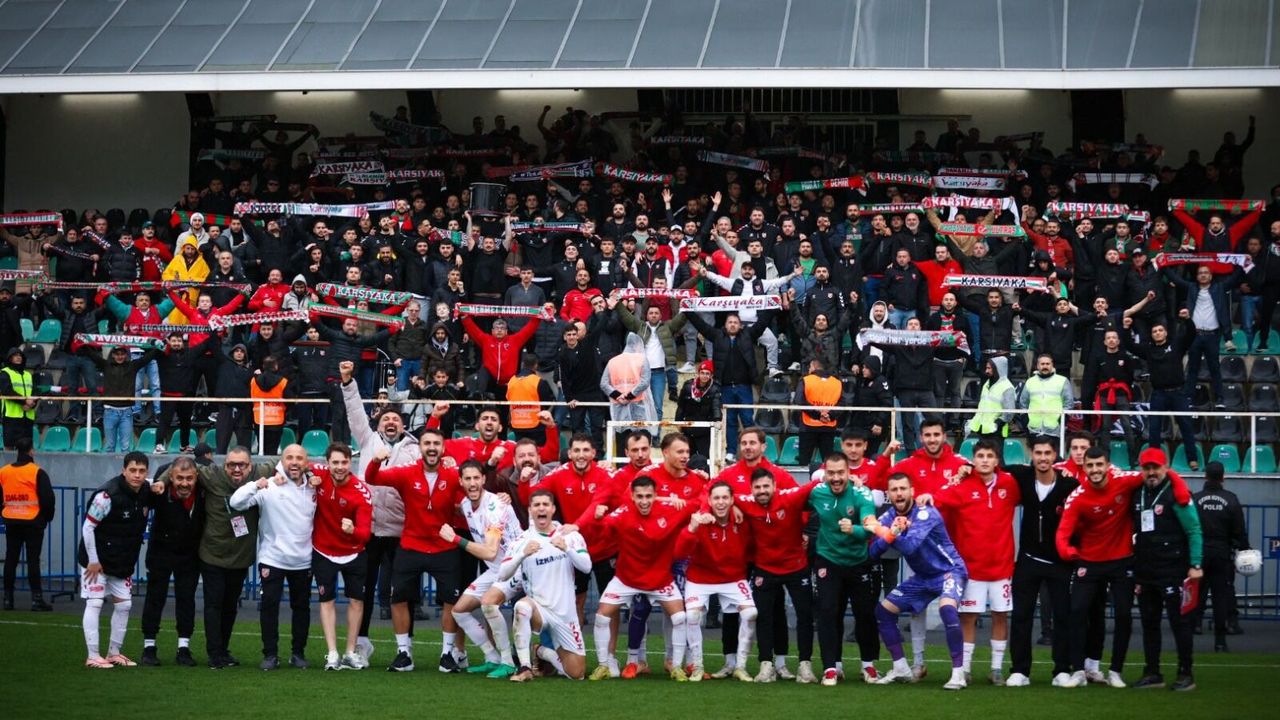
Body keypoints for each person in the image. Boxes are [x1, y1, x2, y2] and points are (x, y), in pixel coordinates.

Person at [1055, 446, 1192, 688]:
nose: (1095, 470)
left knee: (1123, 615)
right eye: (1090, 466)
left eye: (1099, 464)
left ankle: (1116, 671)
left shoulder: (1124, 480)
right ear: (1084, 468)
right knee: (1077, 611)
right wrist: (1069, 553)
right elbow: (1062, 534)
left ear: (1108, 466)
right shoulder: (1078, 496)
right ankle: (1078, 670)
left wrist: (1181, 492)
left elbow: (1160, 472)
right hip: (1089, 561)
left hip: (1122, 561)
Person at [365, 430, 469, 674]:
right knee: (399, 598)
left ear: (443, 448)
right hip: (411, 545)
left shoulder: (453, 474)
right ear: (420, 447)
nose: (432, 447)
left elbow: (475, 489)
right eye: (427, 443)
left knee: (451, 601)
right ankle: (404, 653)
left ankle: (447, 654)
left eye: (436, 443)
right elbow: (373, 478)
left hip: (444, 546)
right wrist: (376, 459)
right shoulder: (406, 471)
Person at [580, 475, 695, 682]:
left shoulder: (671, 509)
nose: (644, 501)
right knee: (601, 616)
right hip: (626, 579)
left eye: (648, 496)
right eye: (639, 496)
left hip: (660, 580)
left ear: (655, 496)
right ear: (632, 496)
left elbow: (700, 505)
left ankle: (676, 666)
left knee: (680, 618)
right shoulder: (623, 513)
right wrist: (597, 519)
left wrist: (687, 505)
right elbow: (602, 530)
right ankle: (603, 665)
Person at [926, 441, 1019, 685]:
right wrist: (951, 481)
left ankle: (996, 669)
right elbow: (937, 499)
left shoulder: (1009, 483)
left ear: (997, 460)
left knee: (1001, 615)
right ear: (973, 460)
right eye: (980, 456)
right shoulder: (962, 485)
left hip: (1002, 565)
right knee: (968, 617)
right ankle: (964, 669)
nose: (985, 460)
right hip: (971, 568)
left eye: (989, 456)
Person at [869, 472, 970, 690]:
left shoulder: (925, 513)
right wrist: (889, 532)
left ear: (912, 491)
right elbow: (873, 552)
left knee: (947, 609)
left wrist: (888, 532)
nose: (899, 493)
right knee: (883, 611)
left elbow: (910, 546)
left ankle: (958, 673)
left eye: (903, 489)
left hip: (949, 571)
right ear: (888, 494)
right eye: (894, 490)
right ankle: (900, 668)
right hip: (923, 578)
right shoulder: (888, 517)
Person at [229, 444, 317, 671]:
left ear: (306, 462)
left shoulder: (315, 488)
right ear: (282, 461)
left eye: (299, 458)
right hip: (273, 559)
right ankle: (270, 654)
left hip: (304, 561)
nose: (294, 462)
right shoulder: (268, 486)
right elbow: (235, 502)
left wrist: (316, 479)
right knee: (269, 607)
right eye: (290, 457)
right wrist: (255, 484)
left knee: (302, 608)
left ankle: (298, 654)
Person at [735, 468, 820, 684]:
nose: (762, 491)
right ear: (751, 489)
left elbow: (815, 483)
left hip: (796, 566)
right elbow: (719, 495)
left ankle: (805, 665)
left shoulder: (790, 497)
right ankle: (766, 665)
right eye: (757, 487)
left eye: (766, 486)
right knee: (763, 617)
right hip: (765, 568)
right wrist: (733, 506)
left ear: (774, 486)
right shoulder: (746, 501)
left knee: (805, 616)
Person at [499, 489, 592, 682]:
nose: (541, 508)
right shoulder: (522, 540)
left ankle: (540, 651)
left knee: (576, 674)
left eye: (545, 504)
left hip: (565, 613)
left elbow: (586, 566)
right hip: (539, 609)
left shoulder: (570, 536)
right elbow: (503, 574)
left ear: (553, 509)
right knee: (521, 606)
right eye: (536, 505)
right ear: (530, 510)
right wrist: (522, 554)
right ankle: (524, 667)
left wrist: (567, 549)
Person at [1005, 439, 1077, 687]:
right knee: (1021, 615)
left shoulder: (1069, 484)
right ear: (1031, 454)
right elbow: (991, 465)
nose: (1043, 457)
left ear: (1055, 455)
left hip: (1059, 562)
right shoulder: (1022, 476)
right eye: (1038, 453)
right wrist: (965, 468)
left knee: (1062, 616)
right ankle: (1020, 670)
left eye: (1047, 453)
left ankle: (1062, 670)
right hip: (1028, 560)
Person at [1131, 449, 1202, 692]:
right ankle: (1153, 672)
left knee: (1179, 623)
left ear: (1166, 467)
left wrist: (1196, 564)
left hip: (1174, 569)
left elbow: (1194, 529)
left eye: (1156, 467)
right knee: (1149, 623)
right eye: (1147, 468)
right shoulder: (1138, 492)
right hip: (1146, 570)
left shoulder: (1177, 493)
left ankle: (1186, 673)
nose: (1151, 472)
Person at [446, 460, 523, 679]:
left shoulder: (495, 507)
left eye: (476, 478)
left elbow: (489, 552)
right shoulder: (466, 504)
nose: (472, 483)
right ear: (461, 481)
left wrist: (455, 539)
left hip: (517, 566)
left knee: (488, 604)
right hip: (497, 569)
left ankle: (508, 662)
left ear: (483, 480)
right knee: (459, 610)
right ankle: (492, 657)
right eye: (467, 479)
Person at [807, 453, 880, 686]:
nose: (836, 478)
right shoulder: (817, 492)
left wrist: (855, 529)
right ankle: (831, 667)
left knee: (865, 614)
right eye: (831, 473)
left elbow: (871, 526)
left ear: (849, 473)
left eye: (841, 473)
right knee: (828, 612)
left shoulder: (862, 494)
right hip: (828, 560)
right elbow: (790, 503)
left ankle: (868, 665)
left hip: (858, 561)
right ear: (825, 474)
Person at [674, 480, 756, 682]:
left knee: (750, 613)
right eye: (716, 498)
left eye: (725, 498)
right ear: (709, 501)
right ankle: (697, 666)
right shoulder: (700, 520)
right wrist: (692, 528)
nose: (721, 502)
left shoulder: (741, 520)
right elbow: (679, 553)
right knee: (692, 615)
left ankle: (740, 667)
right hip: (700, 577)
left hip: (733, 577)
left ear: (732, 500)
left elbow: (753, 544)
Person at [78, 452, 151, 668]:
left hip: (122, 560)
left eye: (141, 471)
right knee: (95, 603)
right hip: (96, 561)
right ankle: (93, 656)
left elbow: (154, 482)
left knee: (125, 605)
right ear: (123, 471)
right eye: (132, 470)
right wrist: (93, 560)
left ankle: (114, 653)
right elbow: (88, 527)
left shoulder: (146, 489)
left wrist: (159, 484)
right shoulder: (106, 496)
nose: (137, 475)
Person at [310, 443, 373, 671]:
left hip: (353, 553)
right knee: (327, 601)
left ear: (350, 463)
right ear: (327, 463)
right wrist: (295, 476)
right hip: (323, 550)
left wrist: (352, 530)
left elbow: (365, 534)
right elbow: (294, 463)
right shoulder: (318, 472)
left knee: (356, 601)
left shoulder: (361, 492)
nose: (339, 467)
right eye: (335, 462)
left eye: (344, 462)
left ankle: (350, 652)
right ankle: (333, 653)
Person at [683, 307, 780, 451]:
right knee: (730, 421)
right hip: (725, 387)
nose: (733, 325)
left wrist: (773, 307)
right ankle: (731, 452)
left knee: (747, 419)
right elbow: (701, 325)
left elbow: (762, 322)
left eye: (735, 322)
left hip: (744, 386)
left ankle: (753, 449)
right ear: (725, 325)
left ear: (740, 325)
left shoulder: (748, 334)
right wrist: (687, 310)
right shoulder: (717, 335)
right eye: (730, 322)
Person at [139, 456, 203, 667]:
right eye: (179, 478)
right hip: (160, 553)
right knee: (154, 598)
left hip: (190, 554)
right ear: (171, 477)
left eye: (189, 478)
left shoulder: (204, 490)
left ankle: (183, 648)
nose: (184, 483)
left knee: (186, 599)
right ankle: (149, 646)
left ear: (196, 477)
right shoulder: (158, 491)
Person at [1193, 462, 1249, 648]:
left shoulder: (1196, 499)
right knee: (1222, 594)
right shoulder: (1231, 499)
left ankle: (1196, 623)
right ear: (1223, 477)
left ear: (1205, 476)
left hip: (1200, 551)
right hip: (1222, 552)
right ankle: (1222, 637)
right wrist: (1244, 549)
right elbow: (1239, 529)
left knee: (1198, 589)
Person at [0, 437, 55, 612]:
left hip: (11, 520)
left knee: (11, 559)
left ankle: (7, 599)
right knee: (33, 560)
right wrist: (46, 518)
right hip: (33, 521)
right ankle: (36, 599)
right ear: (31, 451)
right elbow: (48, 499)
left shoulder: (4, 472)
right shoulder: (37, 472)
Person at [601, 332, 656, 440]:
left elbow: (604, 383)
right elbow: (645, 382)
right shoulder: (642, 359)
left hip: (618, 404)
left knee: (622, 437)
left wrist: (618, 395)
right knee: (640, 437)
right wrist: (629, 396)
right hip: (638, 403)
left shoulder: (613, 361)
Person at [793, 358, 843, 469]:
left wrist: (817, 415)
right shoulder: (837, 383)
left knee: (804, 462)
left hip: (808, 426)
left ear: (814, 367)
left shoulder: (806, 380)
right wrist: (829, 415)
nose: (809, 369)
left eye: (810, 367)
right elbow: (843, 403)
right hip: (828, 425)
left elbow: (799, 400)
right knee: (829, 463)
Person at [966, 356, 1015, 462]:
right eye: (986, 368)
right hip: (983, 429)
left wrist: (998, 423)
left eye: (989, 368)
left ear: (998, 369)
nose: (986, 371)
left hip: (996, 432)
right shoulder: (987, 384)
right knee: (984, 460)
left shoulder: (1007, 387)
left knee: (997, 461)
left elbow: (1010, 412)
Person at [1017, 354, 1073, 441]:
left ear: (1052, 365)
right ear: (1037, 366)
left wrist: (1061, 422)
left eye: (1048, 364)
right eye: (1042, 364)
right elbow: (1023, 403)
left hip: (1055, 429)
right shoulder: (1030, 382)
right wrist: (1026, 422)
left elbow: (1069, 404)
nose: (1045, 366)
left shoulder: (1062, 381)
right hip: (1033, 429)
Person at [0, 347, 37, 450]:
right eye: (15, 355)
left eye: (20, 355)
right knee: (9, 446)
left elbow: (35, 392)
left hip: (27, 416)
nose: (18, 357)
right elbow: (7, 391)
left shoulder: (28, 375)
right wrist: (25, 401)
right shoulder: (4, 372)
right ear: (10, 358)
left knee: (27, 447)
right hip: (11, 416)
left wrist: (32, 404)